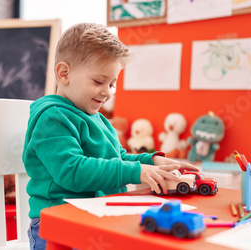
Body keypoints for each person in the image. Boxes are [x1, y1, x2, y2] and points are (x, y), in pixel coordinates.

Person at [22, 23, 198, 250]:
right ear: (64, 73)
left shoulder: (98, 119)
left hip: (98, 217)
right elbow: (72, 171)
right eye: (98, 81)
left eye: (112, 83)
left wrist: (153, 162)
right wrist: (137, 172)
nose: (108, 92)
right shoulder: (52, 119)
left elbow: (118, 158)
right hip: (58, 224)